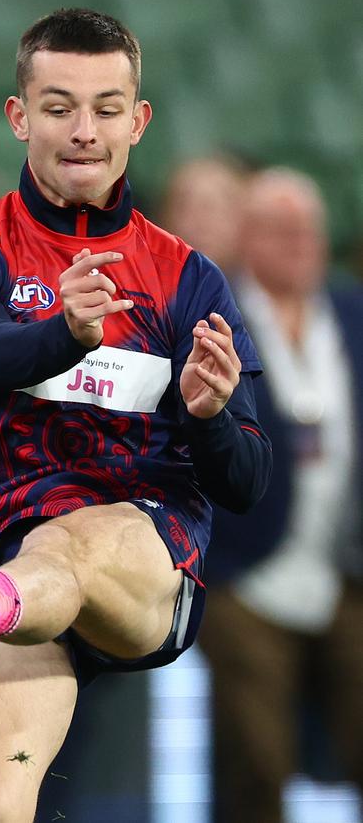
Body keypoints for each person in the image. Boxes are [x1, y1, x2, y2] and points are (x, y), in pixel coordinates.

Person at [0, 8, 272, 822]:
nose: (84, 131)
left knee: (70, 540)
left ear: (138, 122)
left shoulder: (189, 280)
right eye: (58, 106)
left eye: (106, 108)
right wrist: (63, 334)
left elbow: (247, 480)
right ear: (18, 117)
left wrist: (212, 416)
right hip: (6, 572)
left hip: (140, 565)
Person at [199, 167, 363, 823]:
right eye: (280, 228)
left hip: (345, 565)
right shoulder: (216, 318)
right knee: (257, 759)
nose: (299, 242)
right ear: (246, 235)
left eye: (309, 229)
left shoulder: (351, 311)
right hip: (248, 572)